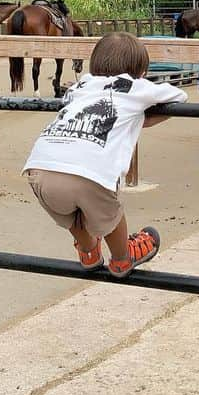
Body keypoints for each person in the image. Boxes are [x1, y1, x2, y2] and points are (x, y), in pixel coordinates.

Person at [23, 31, 188, 277]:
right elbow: (179, 97)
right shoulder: (134, 86)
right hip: (90, 174)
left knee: (73, 216)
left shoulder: (80, 85)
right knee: (109, 210)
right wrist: (139, 116)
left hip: (40, 169)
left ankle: (89, 251)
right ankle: (122, 257)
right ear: (140, 71)